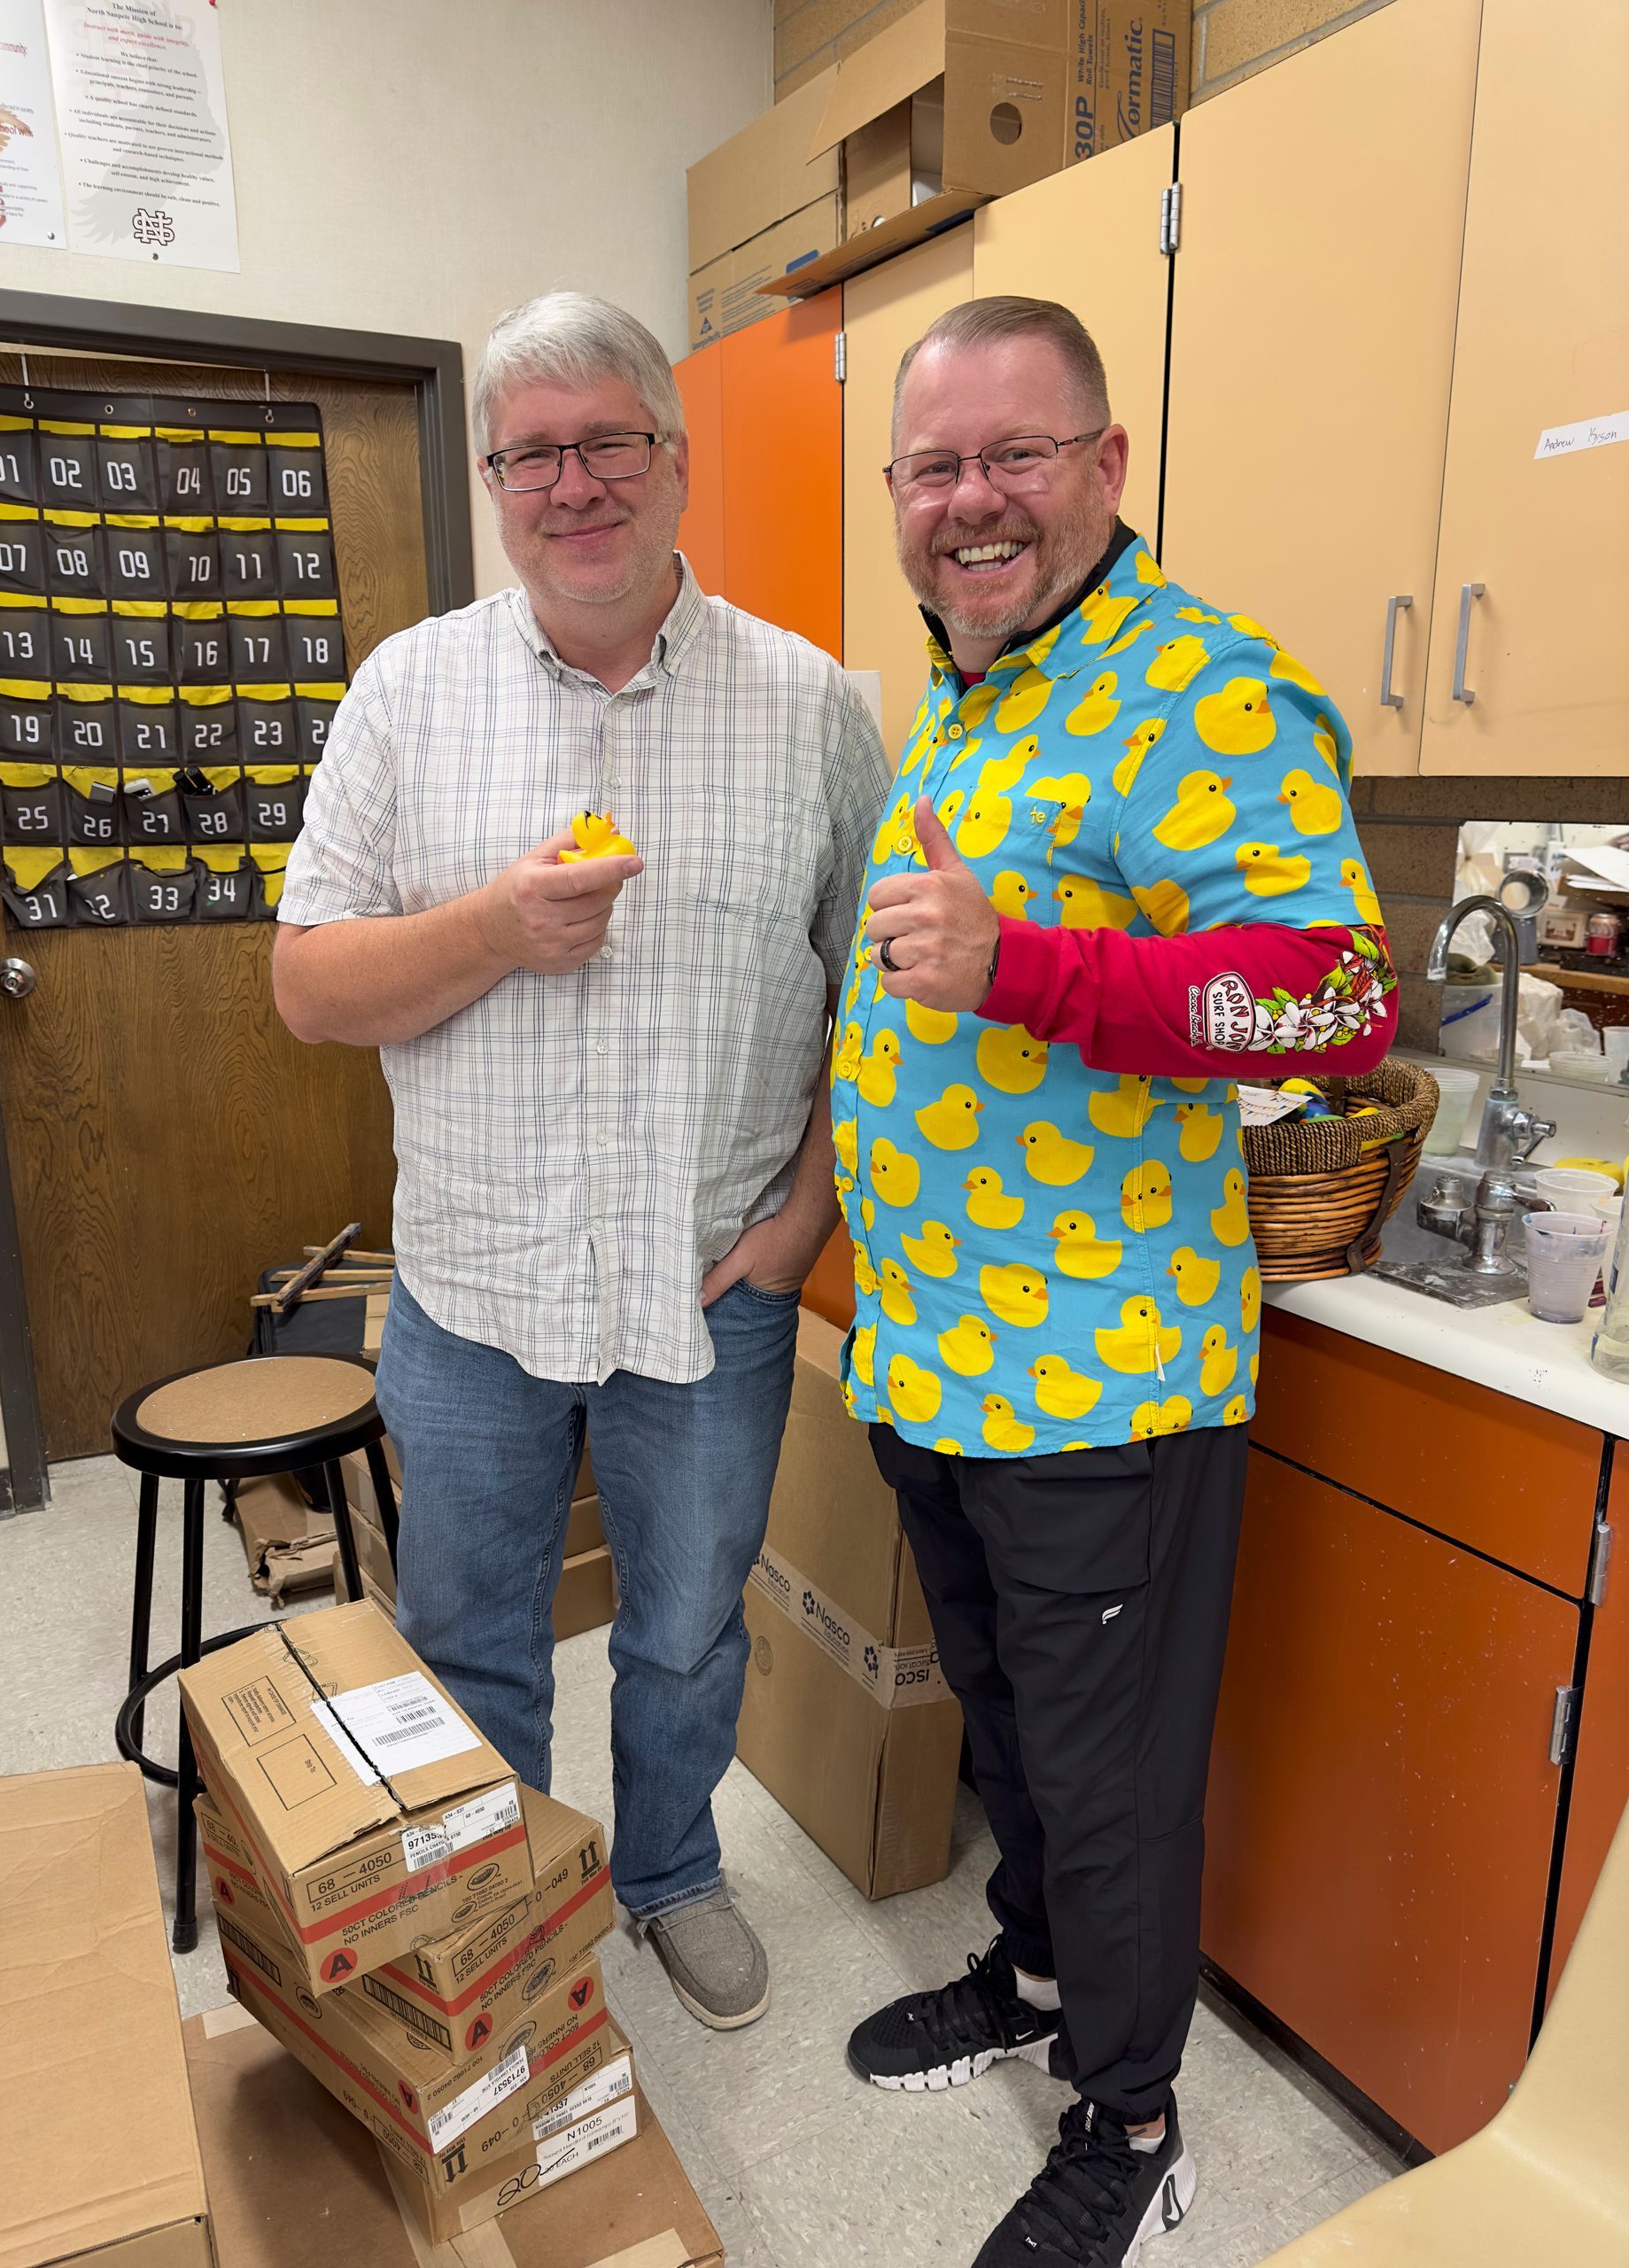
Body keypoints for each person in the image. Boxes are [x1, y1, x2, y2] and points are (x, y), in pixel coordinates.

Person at [834, 296, 1396, 2265]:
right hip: (940, 1361)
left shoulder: (1205, 690)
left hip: (1096, 1377)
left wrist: (1033, 969)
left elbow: (1332, 995)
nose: (970, 501)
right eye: (932, 467)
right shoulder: (978, 689)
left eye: (1013, 455)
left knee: (1105, 1768)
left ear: (1107, 467)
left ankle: (1135, 2123)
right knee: (1012, 1735)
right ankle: (1042, 1974)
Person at [272, 291, 889, 2032]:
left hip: (710, 1289)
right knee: (470, 1634)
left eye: (607, 439)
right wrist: (488, 927)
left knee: (688, 1628)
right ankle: (501, 1912)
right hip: (471, 1291)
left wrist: (805, 1217)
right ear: (493, 483)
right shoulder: (408, 692)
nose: (573, 482)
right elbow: (307, 982)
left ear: (672, 460)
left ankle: (670, 1870)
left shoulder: (814, 706)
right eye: (531, 452)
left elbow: (882, 998)